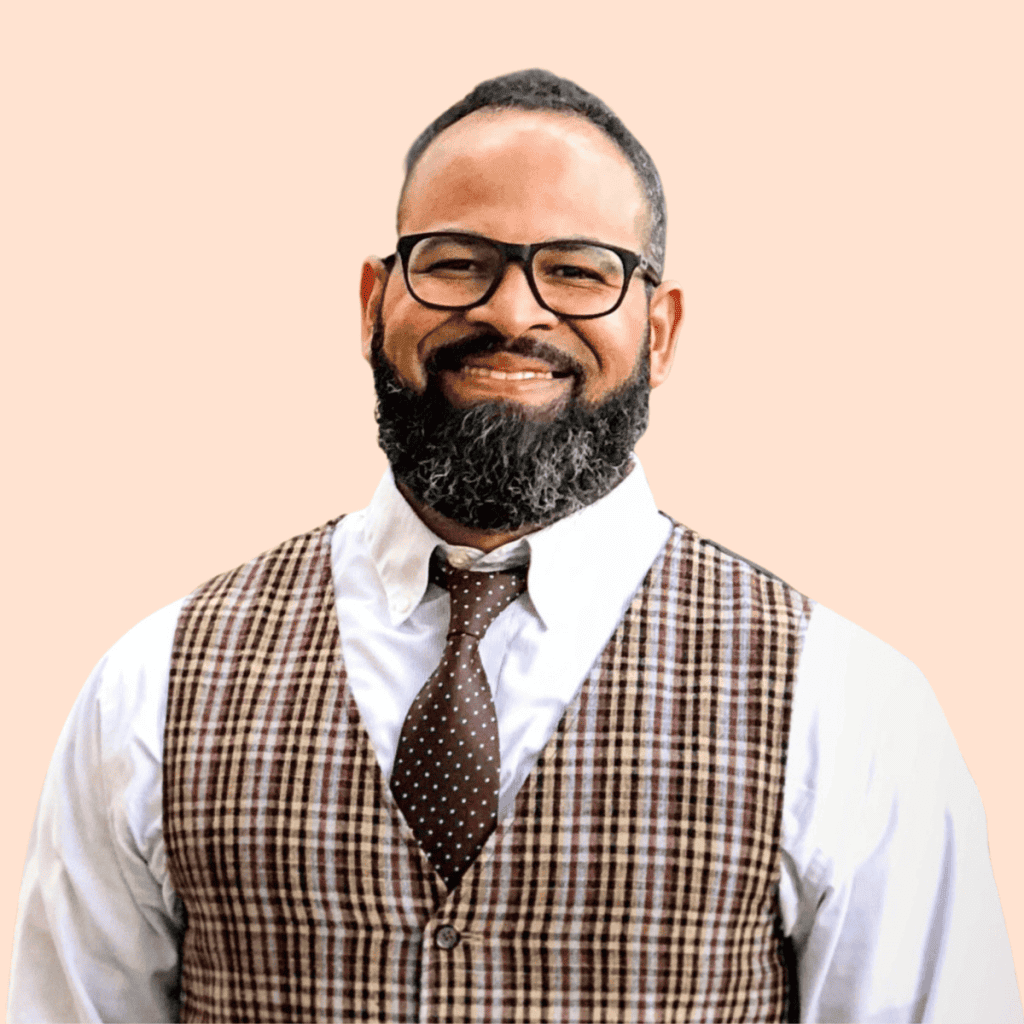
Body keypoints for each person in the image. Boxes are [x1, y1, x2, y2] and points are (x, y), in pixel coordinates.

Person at [8, 68, 1021, 1024]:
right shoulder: (152, 683)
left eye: (577, 270)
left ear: (661, 330)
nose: (510, 310)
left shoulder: (848, 704)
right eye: (457, 261)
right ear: (373, 302)